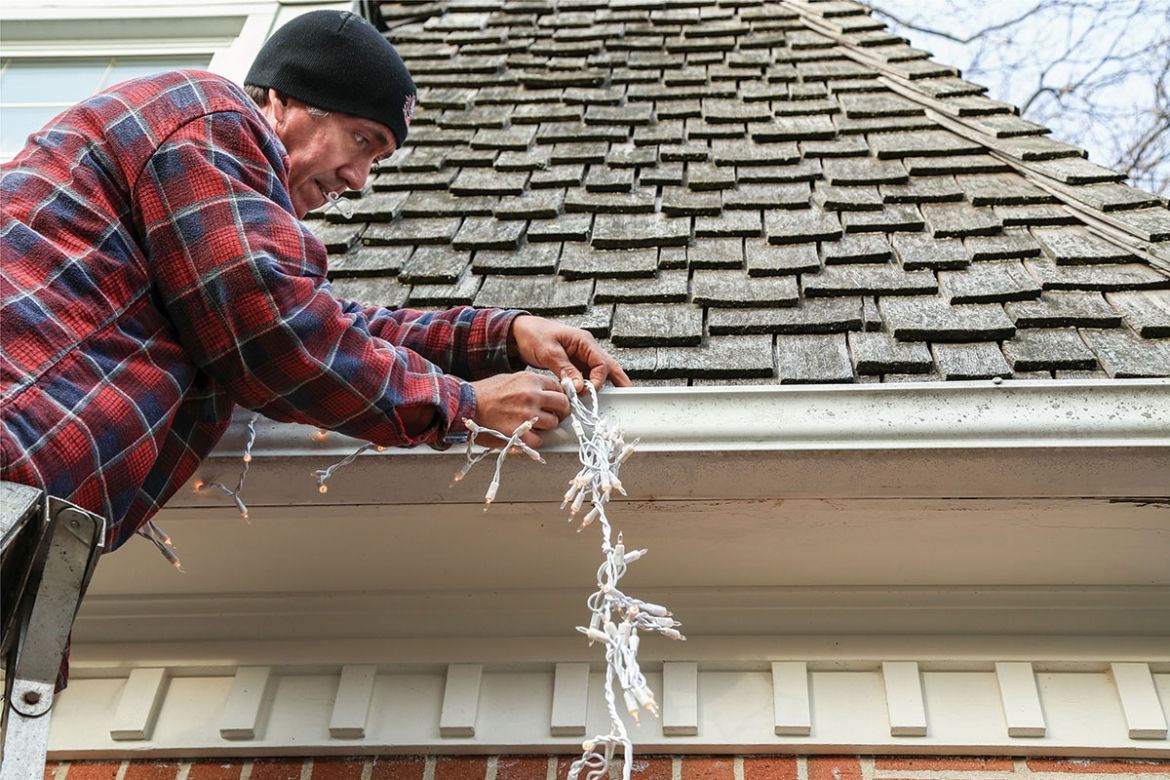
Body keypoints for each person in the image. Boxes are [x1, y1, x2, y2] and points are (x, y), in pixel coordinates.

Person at [0, 9, 631, 559]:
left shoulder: (209, 235)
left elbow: (322, 321)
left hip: (32, 501)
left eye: (377, 159)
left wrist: (503, 333)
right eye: (361, 139)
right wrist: (464, 407)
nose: (359, 180)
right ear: (283, 101)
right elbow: (275, 333)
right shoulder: (207, 113)